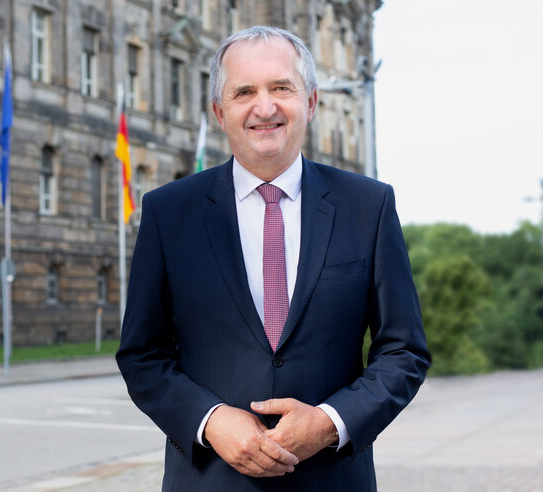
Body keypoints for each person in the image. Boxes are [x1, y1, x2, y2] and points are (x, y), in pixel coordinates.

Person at [116, 25, 430, 491]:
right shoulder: (168, 212)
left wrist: (330, 422)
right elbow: (142, 354)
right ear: (221, 113)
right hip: (210, 480)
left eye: (281, 87)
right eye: (245, 92)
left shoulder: (369, 206)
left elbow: (403, 350)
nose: (265, 107)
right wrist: (211, 420)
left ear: (311, 102)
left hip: (332, 479)